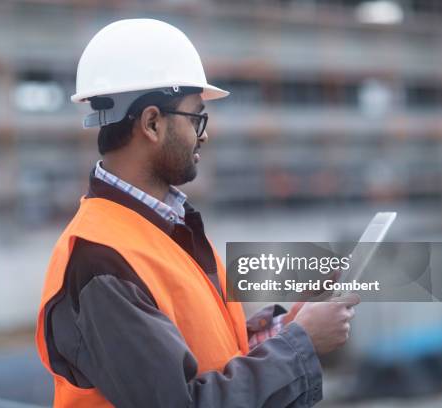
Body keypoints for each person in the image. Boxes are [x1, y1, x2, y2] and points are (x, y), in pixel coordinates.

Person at [35, 18, 359, 407]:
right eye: (196, 117)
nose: (203, 134)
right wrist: (300, 345)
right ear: (152, 123)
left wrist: (289, 327)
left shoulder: (165, 229)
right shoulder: (100, 260)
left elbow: (215, 354)